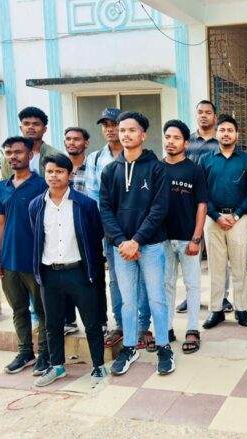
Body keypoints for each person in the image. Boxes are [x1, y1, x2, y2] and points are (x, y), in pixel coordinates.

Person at [99, 111, 174, 376]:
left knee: (156, 298)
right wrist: (123, 242)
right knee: (127, 301)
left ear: (143, 135)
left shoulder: (157, 168)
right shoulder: (110, 170)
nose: (126, 134)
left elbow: (160, 208)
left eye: (132, 130)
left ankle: (164, 346)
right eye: (122, 130)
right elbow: (105, 209)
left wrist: (137, 240)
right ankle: (129, 347)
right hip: (121, 249)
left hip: (151, 245)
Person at [29, 154, 106, 387]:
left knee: (91, 322)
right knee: (52, 324)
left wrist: (92, 271)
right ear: (45, 174)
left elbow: (96, 236)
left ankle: (98, 365)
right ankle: (57, 366)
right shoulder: (36, 205)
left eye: (59, 171)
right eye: (50, 171)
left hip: (79, 272)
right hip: (50, 273)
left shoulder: (85, 204)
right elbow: (37, 238)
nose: (54, 176)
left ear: (69, 175)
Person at [84, 108, 152, 349]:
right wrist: (111, 232)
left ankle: (143, 325)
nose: (112, 129)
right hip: (112, 234)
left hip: (142, 233)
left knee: (143, 279)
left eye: (116, 124)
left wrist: (137, 237)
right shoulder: (95, 159)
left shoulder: (146, 162)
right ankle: (122, 325)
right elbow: (96, 200)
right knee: (115, 279)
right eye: (107, 125)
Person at [0, 137, 49, 376]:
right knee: (18, 309)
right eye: (8, 153)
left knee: (43, 310)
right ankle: (25, 352)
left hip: (35, 260)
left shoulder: (42, 184)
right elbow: (1, 222)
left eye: (18, 152)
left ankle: (45, 354)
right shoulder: (1, 187)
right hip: (8, 260)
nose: (13, 156)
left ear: (30, 155)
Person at [200, 115, 247, 329]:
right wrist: (216, 216)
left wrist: (236, 215)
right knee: (215, 267)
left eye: (230, 130)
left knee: (239, 266)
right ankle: (216, 310)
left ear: (237, 135)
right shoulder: (205, 160)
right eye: (222, 130)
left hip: (238, 219)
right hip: (212, 219)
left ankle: (241, 309)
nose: (226, 134)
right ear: (216, 133)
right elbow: (201, 192)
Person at [178, 100, 233, 314]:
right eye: (200, 112)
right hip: (188, 204)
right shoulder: (187, 141)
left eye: (208, 112)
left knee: (218, 256)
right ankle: (190, 297)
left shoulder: (222, 141)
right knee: (190, 254)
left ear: (215, 117)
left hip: (213, 206)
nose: (203, 115)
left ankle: (222, 297)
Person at [161, 119, 208, 352]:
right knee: (166, 285)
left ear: (186, 143)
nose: (171, 142)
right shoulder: (157, 168)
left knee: (192, 284)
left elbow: (202, 205)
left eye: (177, 138)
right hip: (162, 239)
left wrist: (196, 238)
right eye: (168, 137)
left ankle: (192, 329)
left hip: (187, 238)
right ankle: (166, 328)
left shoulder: (194, 169)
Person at [63, 127, 109, 336]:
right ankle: (69, 320)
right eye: (68, 139)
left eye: (77, 139)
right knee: (64, 276)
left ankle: (100, 321)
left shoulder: (92, 165)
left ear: (86, 143)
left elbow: (98, 195)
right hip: (64, 231)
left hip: (88, 230)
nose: (72, 142)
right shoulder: (60, 167)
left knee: (95, 277)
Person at [1, 107, 63, 179]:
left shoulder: (56, 155)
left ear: (44, 129)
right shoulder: (8, 158)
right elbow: (5, 182)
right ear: (21, 128)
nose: (31, 127)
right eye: (26, 124)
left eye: (36, 124)